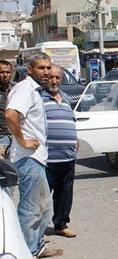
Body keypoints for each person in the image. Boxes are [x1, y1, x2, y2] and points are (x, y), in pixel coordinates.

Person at [5, 53, 64, 258]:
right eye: (41, 68)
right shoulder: (26, 89)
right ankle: (26, 251)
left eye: (48, 68)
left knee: (44, 207)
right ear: (29, 70)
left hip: (36, 157)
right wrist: (22, 141)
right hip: (27, 158)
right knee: (32, 208)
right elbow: (10, 114)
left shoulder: (34, 90)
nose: (47, 72)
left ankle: (36, 246)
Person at [42, 64, 78, 238]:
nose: (54, 81)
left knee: (64, 194)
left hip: (67, 157)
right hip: (46, 158)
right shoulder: (38, 98)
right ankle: (36, 232)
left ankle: (60, 224)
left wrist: (75, 139)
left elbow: (71, 121)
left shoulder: (65, 97)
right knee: (41, 197)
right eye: (50, 77)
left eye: (57, 77)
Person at [0, 60, 14, 159]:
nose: (5, 75)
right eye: (2, 72)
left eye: (8, 72)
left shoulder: (16, 89)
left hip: (15, 137)